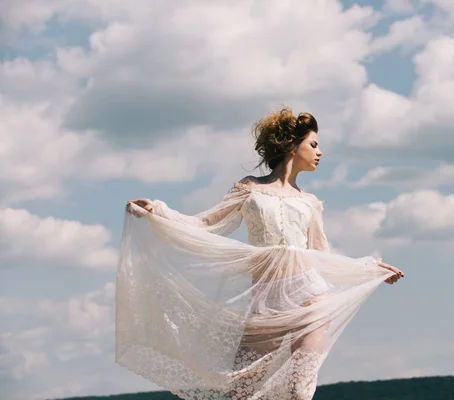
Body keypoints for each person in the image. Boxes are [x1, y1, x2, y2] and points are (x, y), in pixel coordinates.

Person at [116, 106, 404, 400]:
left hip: (310, 298)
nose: (320, 153)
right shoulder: (250, 189)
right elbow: (205, 223)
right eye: (313, 145)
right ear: (292, 145)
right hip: (265, 300)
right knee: (240, 391)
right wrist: (158, 211)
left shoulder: (310, 202)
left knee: (298, 392)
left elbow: (322, 257)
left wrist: (371, 269)